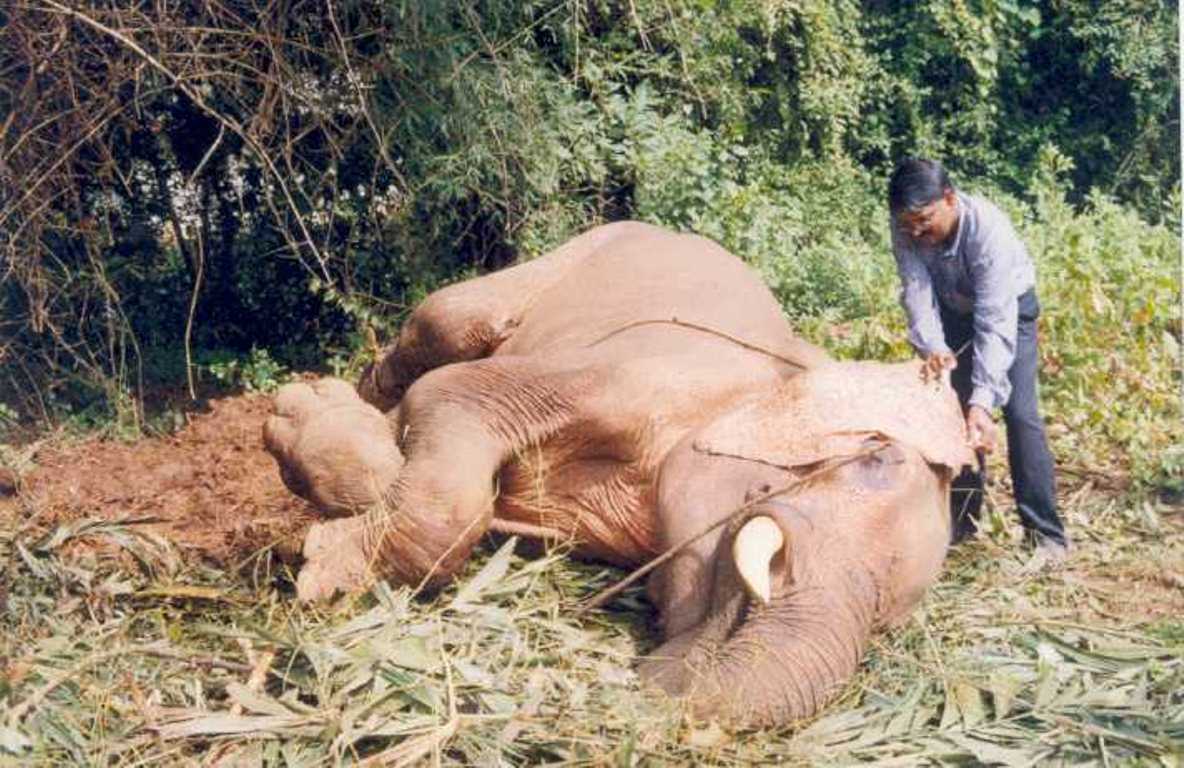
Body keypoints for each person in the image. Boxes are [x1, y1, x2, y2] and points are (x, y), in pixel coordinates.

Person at [887, 157, 1069, 569]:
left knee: (1020, 415)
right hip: (952, 313)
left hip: (1009, 312)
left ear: (949, 199)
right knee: (955, 415)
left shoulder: (989, 232)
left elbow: (994, 318)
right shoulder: (905, 227)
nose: (916, 231)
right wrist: (933, 346)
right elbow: (916, 290)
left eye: (924, 219)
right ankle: (962, 526)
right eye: (906, 224)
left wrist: (984, 401)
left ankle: (1046, 536)